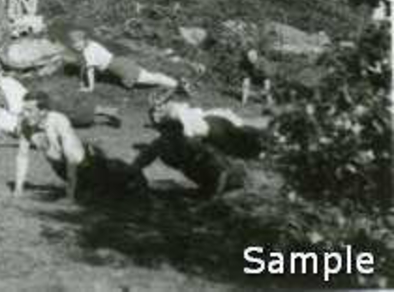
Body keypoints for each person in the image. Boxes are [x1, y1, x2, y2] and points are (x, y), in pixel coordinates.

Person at [13, 96, 145, 202]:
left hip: (88, 165)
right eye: (24, 110)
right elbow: (22, 156)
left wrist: (70, 195)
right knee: (94, 195)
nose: (24, 114)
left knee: (119, 189)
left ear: (43, 111)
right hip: (63, 169)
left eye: (29, 110)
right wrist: (18, 188)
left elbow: (71, 158)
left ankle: (133, 174)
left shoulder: (58, 121)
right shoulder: (27, 125)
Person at [133, 113, 246, 198]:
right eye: (165, 134)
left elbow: (223, 170)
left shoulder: (193, 145)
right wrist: (138, 180)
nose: (168, 138)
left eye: (174, 135)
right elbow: (138, 165)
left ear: (180, 133)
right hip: (204, 180)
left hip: (229, 178)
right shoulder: (159, 145)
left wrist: (215, 196)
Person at [69, 28, 179, 92]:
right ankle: (174, 84)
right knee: (150, 76)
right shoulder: (92, 44)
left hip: (121, 67)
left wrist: (90, 88)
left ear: (84, 40)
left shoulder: (88, 51)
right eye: (74, 44)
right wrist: (81, 79)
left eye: (78, 42)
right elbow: (85, 66)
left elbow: (90, 70)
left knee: (151, 79)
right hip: (121, 61)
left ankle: (176, 86)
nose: (76, 46)